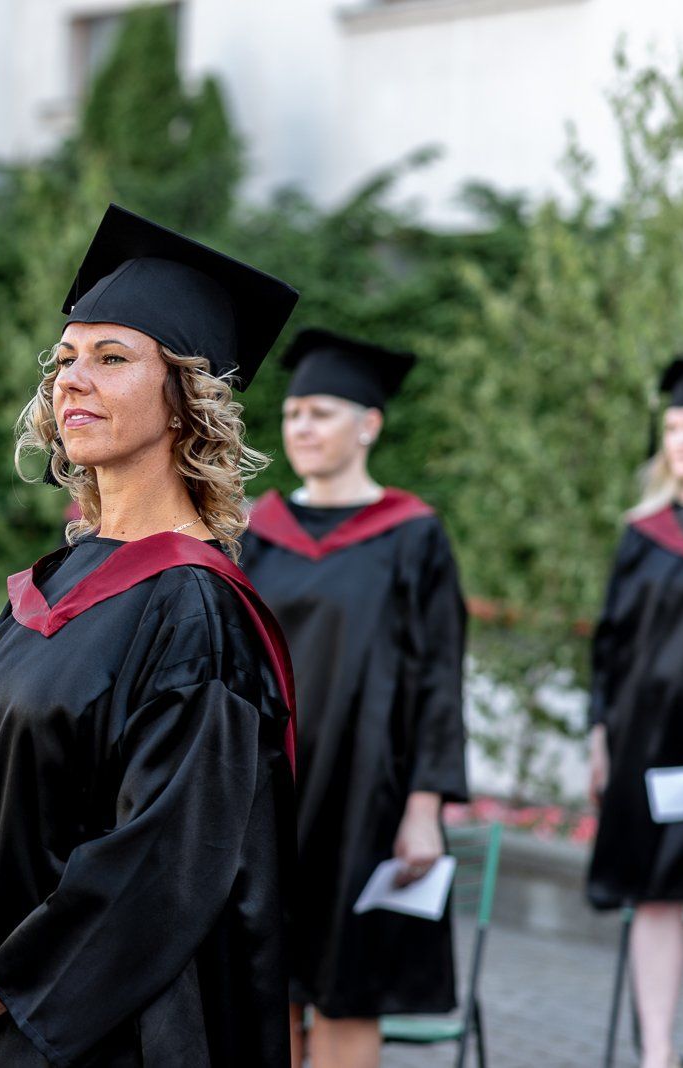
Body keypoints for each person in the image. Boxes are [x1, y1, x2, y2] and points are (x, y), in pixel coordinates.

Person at [0, 204, 300, 1068]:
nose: (71, 381)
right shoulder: (51, 583)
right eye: (64, 361)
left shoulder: (195, 610)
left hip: (109, 1036)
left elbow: (158, 863)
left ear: (185, 401)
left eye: (112, 358)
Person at [237, 329, 468, 1068]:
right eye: (293, 413)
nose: (302, 427)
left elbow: (438, 677)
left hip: (370, 795)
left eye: (321, 413)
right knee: (263, 988)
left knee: (348, 991)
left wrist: (425, 809)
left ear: (369, 424)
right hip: (266, 794)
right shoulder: (254, 534)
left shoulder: (412, 535)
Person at [586, 356, 683, 1068]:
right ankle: (657, 1053)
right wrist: (599, 735)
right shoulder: (644, 534)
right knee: (655, 894)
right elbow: (610, 646)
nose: (681, 440)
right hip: (650, 746)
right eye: (674, 428)